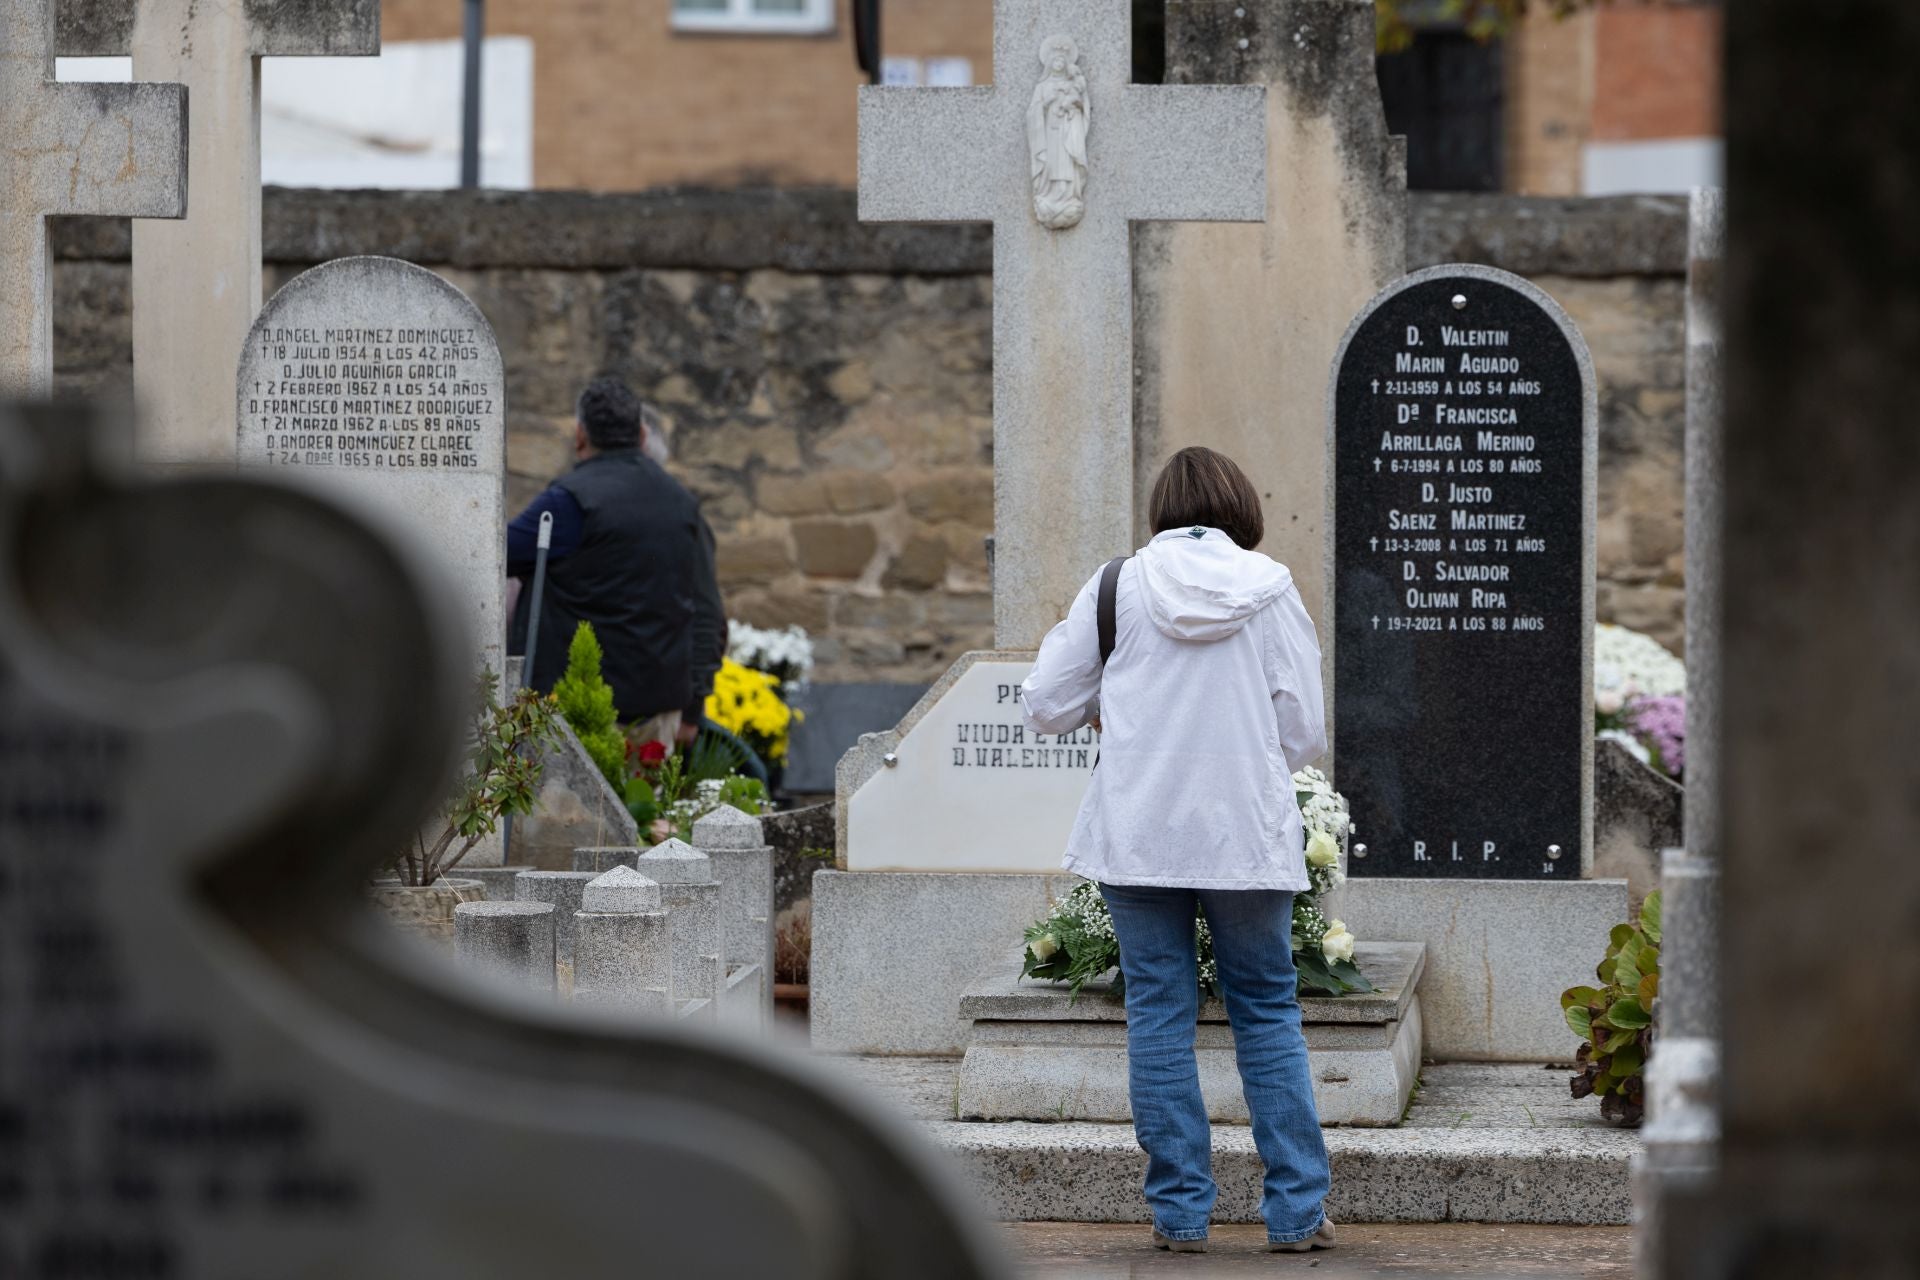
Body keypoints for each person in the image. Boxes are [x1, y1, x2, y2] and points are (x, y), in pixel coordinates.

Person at [1020, 446, 1335, 1255]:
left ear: (1163, 509)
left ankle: (1180, 1216)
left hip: (1139, 833)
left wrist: (1113, 707)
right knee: (1267, 1010)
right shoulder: (1272, 590)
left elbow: (1047, 705)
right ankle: (1297, 1214)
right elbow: (1302, 732)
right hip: (1244, 836)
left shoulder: (1117, 585)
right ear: (1242, 510)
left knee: (1159, 1014)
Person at [507, 377, 725, 749]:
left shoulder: (568, 502)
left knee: (567, 810)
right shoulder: (682, 504)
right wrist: (693, 709)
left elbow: (495, 557)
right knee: (648, 809)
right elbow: (706, 610)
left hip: (576, 711)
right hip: (657, 713)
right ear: (642, 435)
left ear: (580, 436)